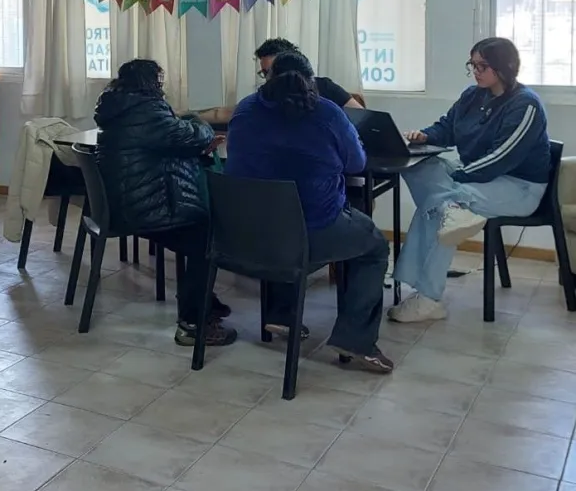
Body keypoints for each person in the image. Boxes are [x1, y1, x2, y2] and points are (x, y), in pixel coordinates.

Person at [224, 51, 394, 373]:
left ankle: (282, 314)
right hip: (310, 232)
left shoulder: (245, 109)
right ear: (310, 80)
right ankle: (355, 339)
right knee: (372, 246)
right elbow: (356, 163)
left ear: (268, 77)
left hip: (247, 235)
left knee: (281, 223)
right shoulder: (326, 112)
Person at [387, 37, 551, 323]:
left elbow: (501, 158)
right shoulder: (472, 95)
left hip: (518, 186)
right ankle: (452, 208)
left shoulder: (525, 105)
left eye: (482, 66)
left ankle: (428, 299)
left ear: (505, 67)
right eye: (472, 65)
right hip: (476, 175)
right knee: (419, 167)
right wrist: (424, 137)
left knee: (439, 209)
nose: (476, 71)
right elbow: (447, 127)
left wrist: (458, 178)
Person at [94, 59, 237, 346]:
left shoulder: (116, 109)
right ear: (152, 83)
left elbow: (168, 141)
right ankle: (193, 322)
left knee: (202, 231)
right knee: (207, 238)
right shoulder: (147, 110)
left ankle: (204, 302)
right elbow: (189, 133)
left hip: (125, 205)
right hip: (146, 211)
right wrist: (199, 125)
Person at [192, 37, 362, 126]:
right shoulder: (264, 98)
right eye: (265, 73)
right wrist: (184, 117)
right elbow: (226, 114)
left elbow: (361, 117)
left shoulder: (325, 91)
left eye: (274, 71)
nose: (269, 79)